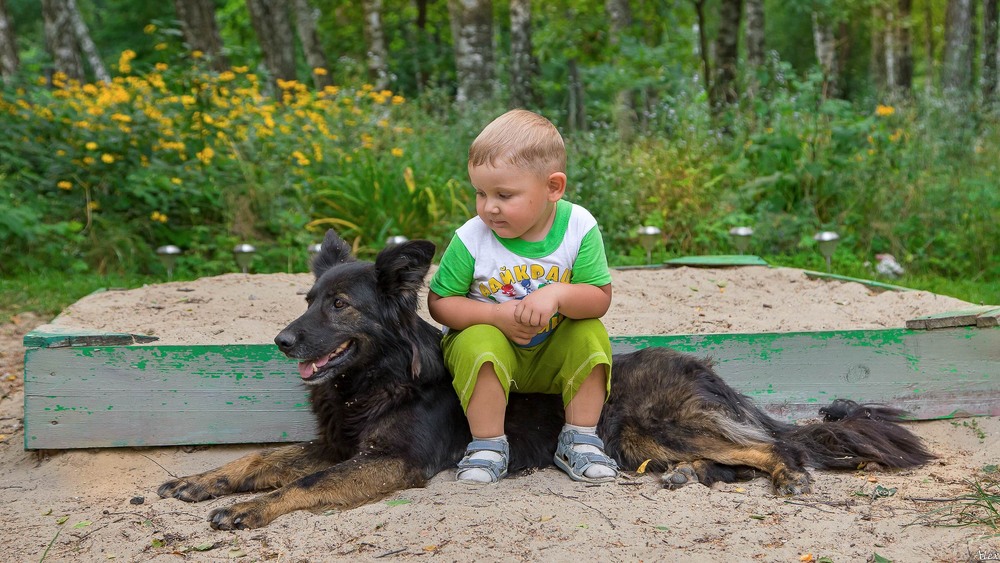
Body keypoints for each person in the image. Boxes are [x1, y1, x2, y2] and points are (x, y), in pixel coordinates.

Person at [428, 109, 618, 485]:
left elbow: (599, 298)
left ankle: (580, 439)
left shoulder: (578, 227)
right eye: (480, 193)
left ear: (552, 188)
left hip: (551, 351)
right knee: (477, 342)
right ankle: (487, 445)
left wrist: (560, 294)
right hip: (493, 349)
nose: (489, 207)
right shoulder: (472, 237)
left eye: (504, 195)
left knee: (590, 333)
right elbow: (439, 303)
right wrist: (495, 317)